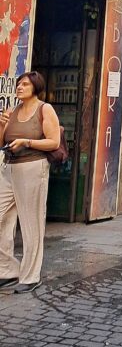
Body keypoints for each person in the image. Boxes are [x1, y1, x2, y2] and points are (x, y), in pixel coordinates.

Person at [0, 71, 60, 294]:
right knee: (2, 218)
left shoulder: (45, 109)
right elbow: (2, 142)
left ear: (35, 87)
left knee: (31, 223)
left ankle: (31, 275)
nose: (19, 87)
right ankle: (7, 270)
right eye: (18, 84)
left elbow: (53, 142)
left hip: (33, 168)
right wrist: (1, 125)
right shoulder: (13, 111)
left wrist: (27, 141)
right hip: (9, 168)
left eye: (24, 84)